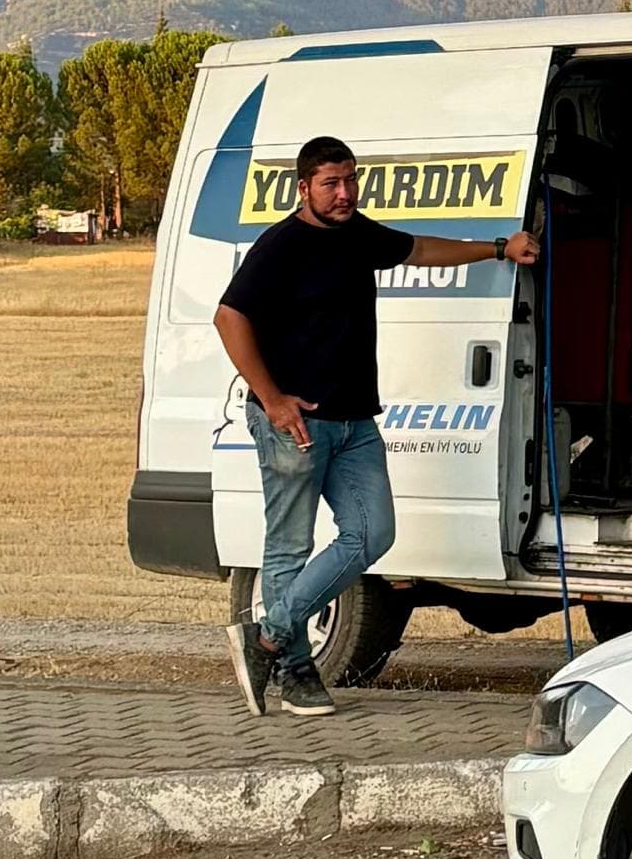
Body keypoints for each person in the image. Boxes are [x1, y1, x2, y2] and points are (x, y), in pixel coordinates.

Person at [215, 135, 538, 712]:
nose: (343, 194)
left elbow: (419, 249)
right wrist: (273, 400)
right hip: (297, 424)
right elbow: (228, 317)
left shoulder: (358, 233)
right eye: (330, 184)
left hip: (356, 422)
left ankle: (266, 633)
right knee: (288, 547)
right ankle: (295, 673)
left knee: (372, 534)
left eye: (349, 181)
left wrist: (497, 248)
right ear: (303, 188)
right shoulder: (280, 247)